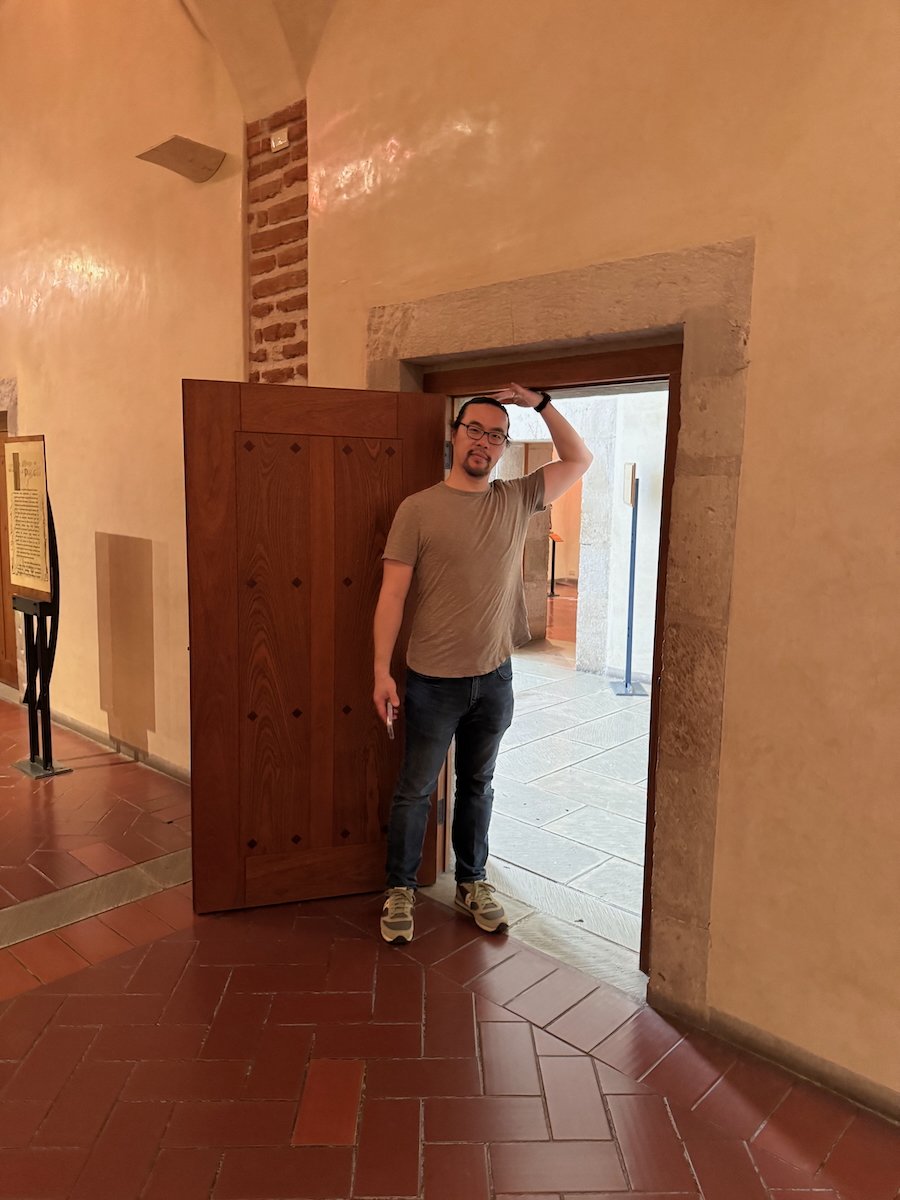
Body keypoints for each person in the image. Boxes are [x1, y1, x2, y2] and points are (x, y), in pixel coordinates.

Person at [373, 383, 593, 944]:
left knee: (478, 784)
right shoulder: (418, 508)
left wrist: (541, 404)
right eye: (474, 429)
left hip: (495, 678)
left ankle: (472, 881)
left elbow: (579, 459)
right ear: (455, 436)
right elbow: (392, 595)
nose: (485, 442)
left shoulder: (515, 498)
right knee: (415, 789)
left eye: (497, 436)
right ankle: (400, 889)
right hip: (431, 680)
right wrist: (381, 672)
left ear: (503, 447)